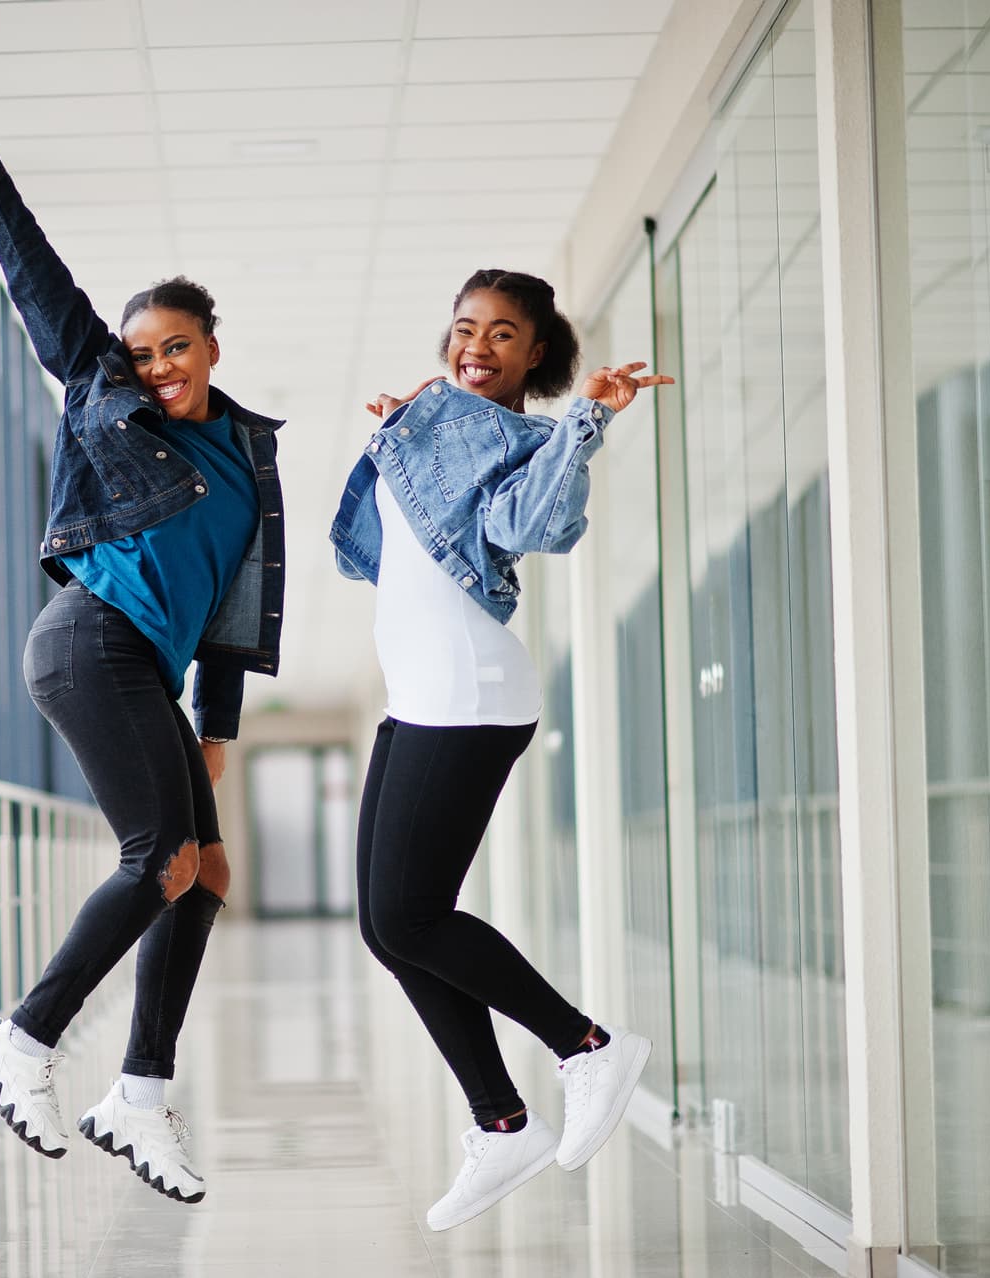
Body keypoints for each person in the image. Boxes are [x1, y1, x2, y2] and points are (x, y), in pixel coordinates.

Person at [0, 65, 285, 1206]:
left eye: (175, 347)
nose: (157, 368)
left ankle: (137, 1094)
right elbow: (42, 286)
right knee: (159, 862)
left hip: (146, 667)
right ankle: (21, 1043)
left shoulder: (249, 455)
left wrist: (217, 726)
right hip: (88, 639)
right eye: (140, 355)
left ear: (212, 347)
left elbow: (237, 600)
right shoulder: (104, 394)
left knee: (207, 871)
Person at [329, 269, 667, 1230]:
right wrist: (407, 432)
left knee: (411, 916)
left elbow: (534, 526)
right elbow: (367, 548)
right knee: (388, 927)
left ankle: (585, 1046)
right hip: (420, 697)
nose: (477, 345)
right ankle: (503, 1120)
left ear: (537, 355)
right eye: (466, 327)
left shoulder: (531, 440)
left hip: (469, 692)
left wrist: (586, 425)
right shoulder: (437, 415)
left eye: (504, 334)